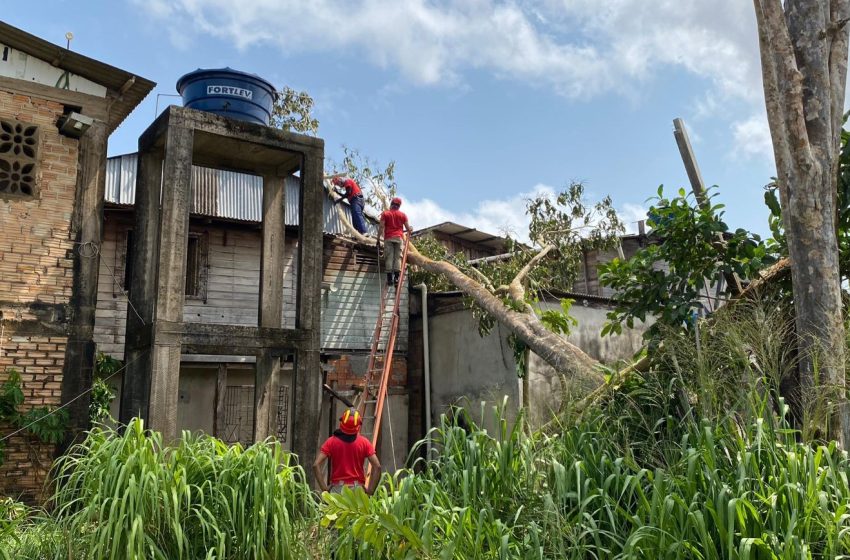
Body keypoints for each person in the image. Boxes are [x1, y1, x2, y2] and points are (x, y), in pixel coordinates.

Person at [313, 408, 382, 496]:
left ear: (342, 422)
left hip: (337, 490)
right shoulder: (364, 442)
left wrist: (324, 489)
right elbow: (377, 467)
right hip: (357, 491)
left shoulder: (331, 442)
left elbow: (316, 465)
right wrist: (370, 491)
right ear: (358, 425)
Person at [379, 197, 412, 287]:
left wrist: (378, 239)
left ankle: (390, 279)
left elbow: (381, 227)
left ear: (391, 204)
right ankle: (396, 278)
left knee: (389, 257)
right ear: (399, 206)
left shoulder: (385, 214)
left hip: (388, 238)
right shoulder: (403, 215)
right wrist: (410, 229)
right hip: (399, 238)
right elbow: (408, 229)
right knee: (398, 257)